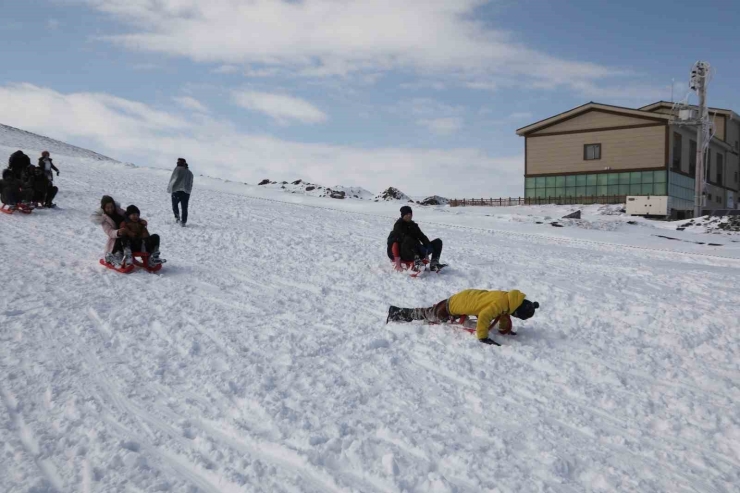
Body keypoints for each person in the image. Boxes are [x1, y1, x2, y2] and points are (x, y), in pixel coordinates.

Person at [386, 289, 539, 346]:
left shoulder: (509, 299)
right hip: (452, 307)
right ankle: (397, 312)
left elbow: (503, 315)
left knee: (435, 311)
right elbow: (486, 316)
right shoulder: (501, 304)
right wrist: (483, 337)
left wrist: (506, 329)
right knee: (430, 313)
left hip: (466, 297)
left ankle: (435, 315)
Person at [387, 205, 444, 271]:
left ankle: (434, 263)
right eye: (407, 214)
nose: (409, 216)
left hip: (417, 250)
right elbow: (398, 241)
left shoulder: (414, 226)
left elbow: (422, 237)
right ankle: (416, 262)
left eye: (410, 214)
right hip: (405, 253)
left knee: (438, 242)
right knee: (408, 239)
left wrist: (428, 245)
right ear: (403, 215)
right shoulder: (398, 226)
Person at [90, 195, 128, 267]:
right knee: (120, 243)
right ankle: (113, 257)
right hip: (116, 239)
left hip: (127, 234)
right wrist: (118, 232)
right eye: (107, 208)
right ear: (104, 208)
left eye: (112, 207)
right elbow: (109, 232)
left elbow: (129, 216)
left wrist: (140, 221)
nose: (110, 209)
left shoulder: (119, 211)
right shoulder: (104, 218)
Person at [167, 157, 193, 227]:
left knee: (175, 205)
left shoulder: (177, 169)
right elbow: (191, 183)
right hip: (186, 192)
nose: (177, 163)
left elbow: (173, 179)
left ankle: (177, 217)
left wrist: (169, 189)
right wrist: (188, 191)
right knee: (184, 207)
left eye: (178, 162)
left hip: (177, 190)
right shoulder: (190, 173)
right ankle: (183, 222)